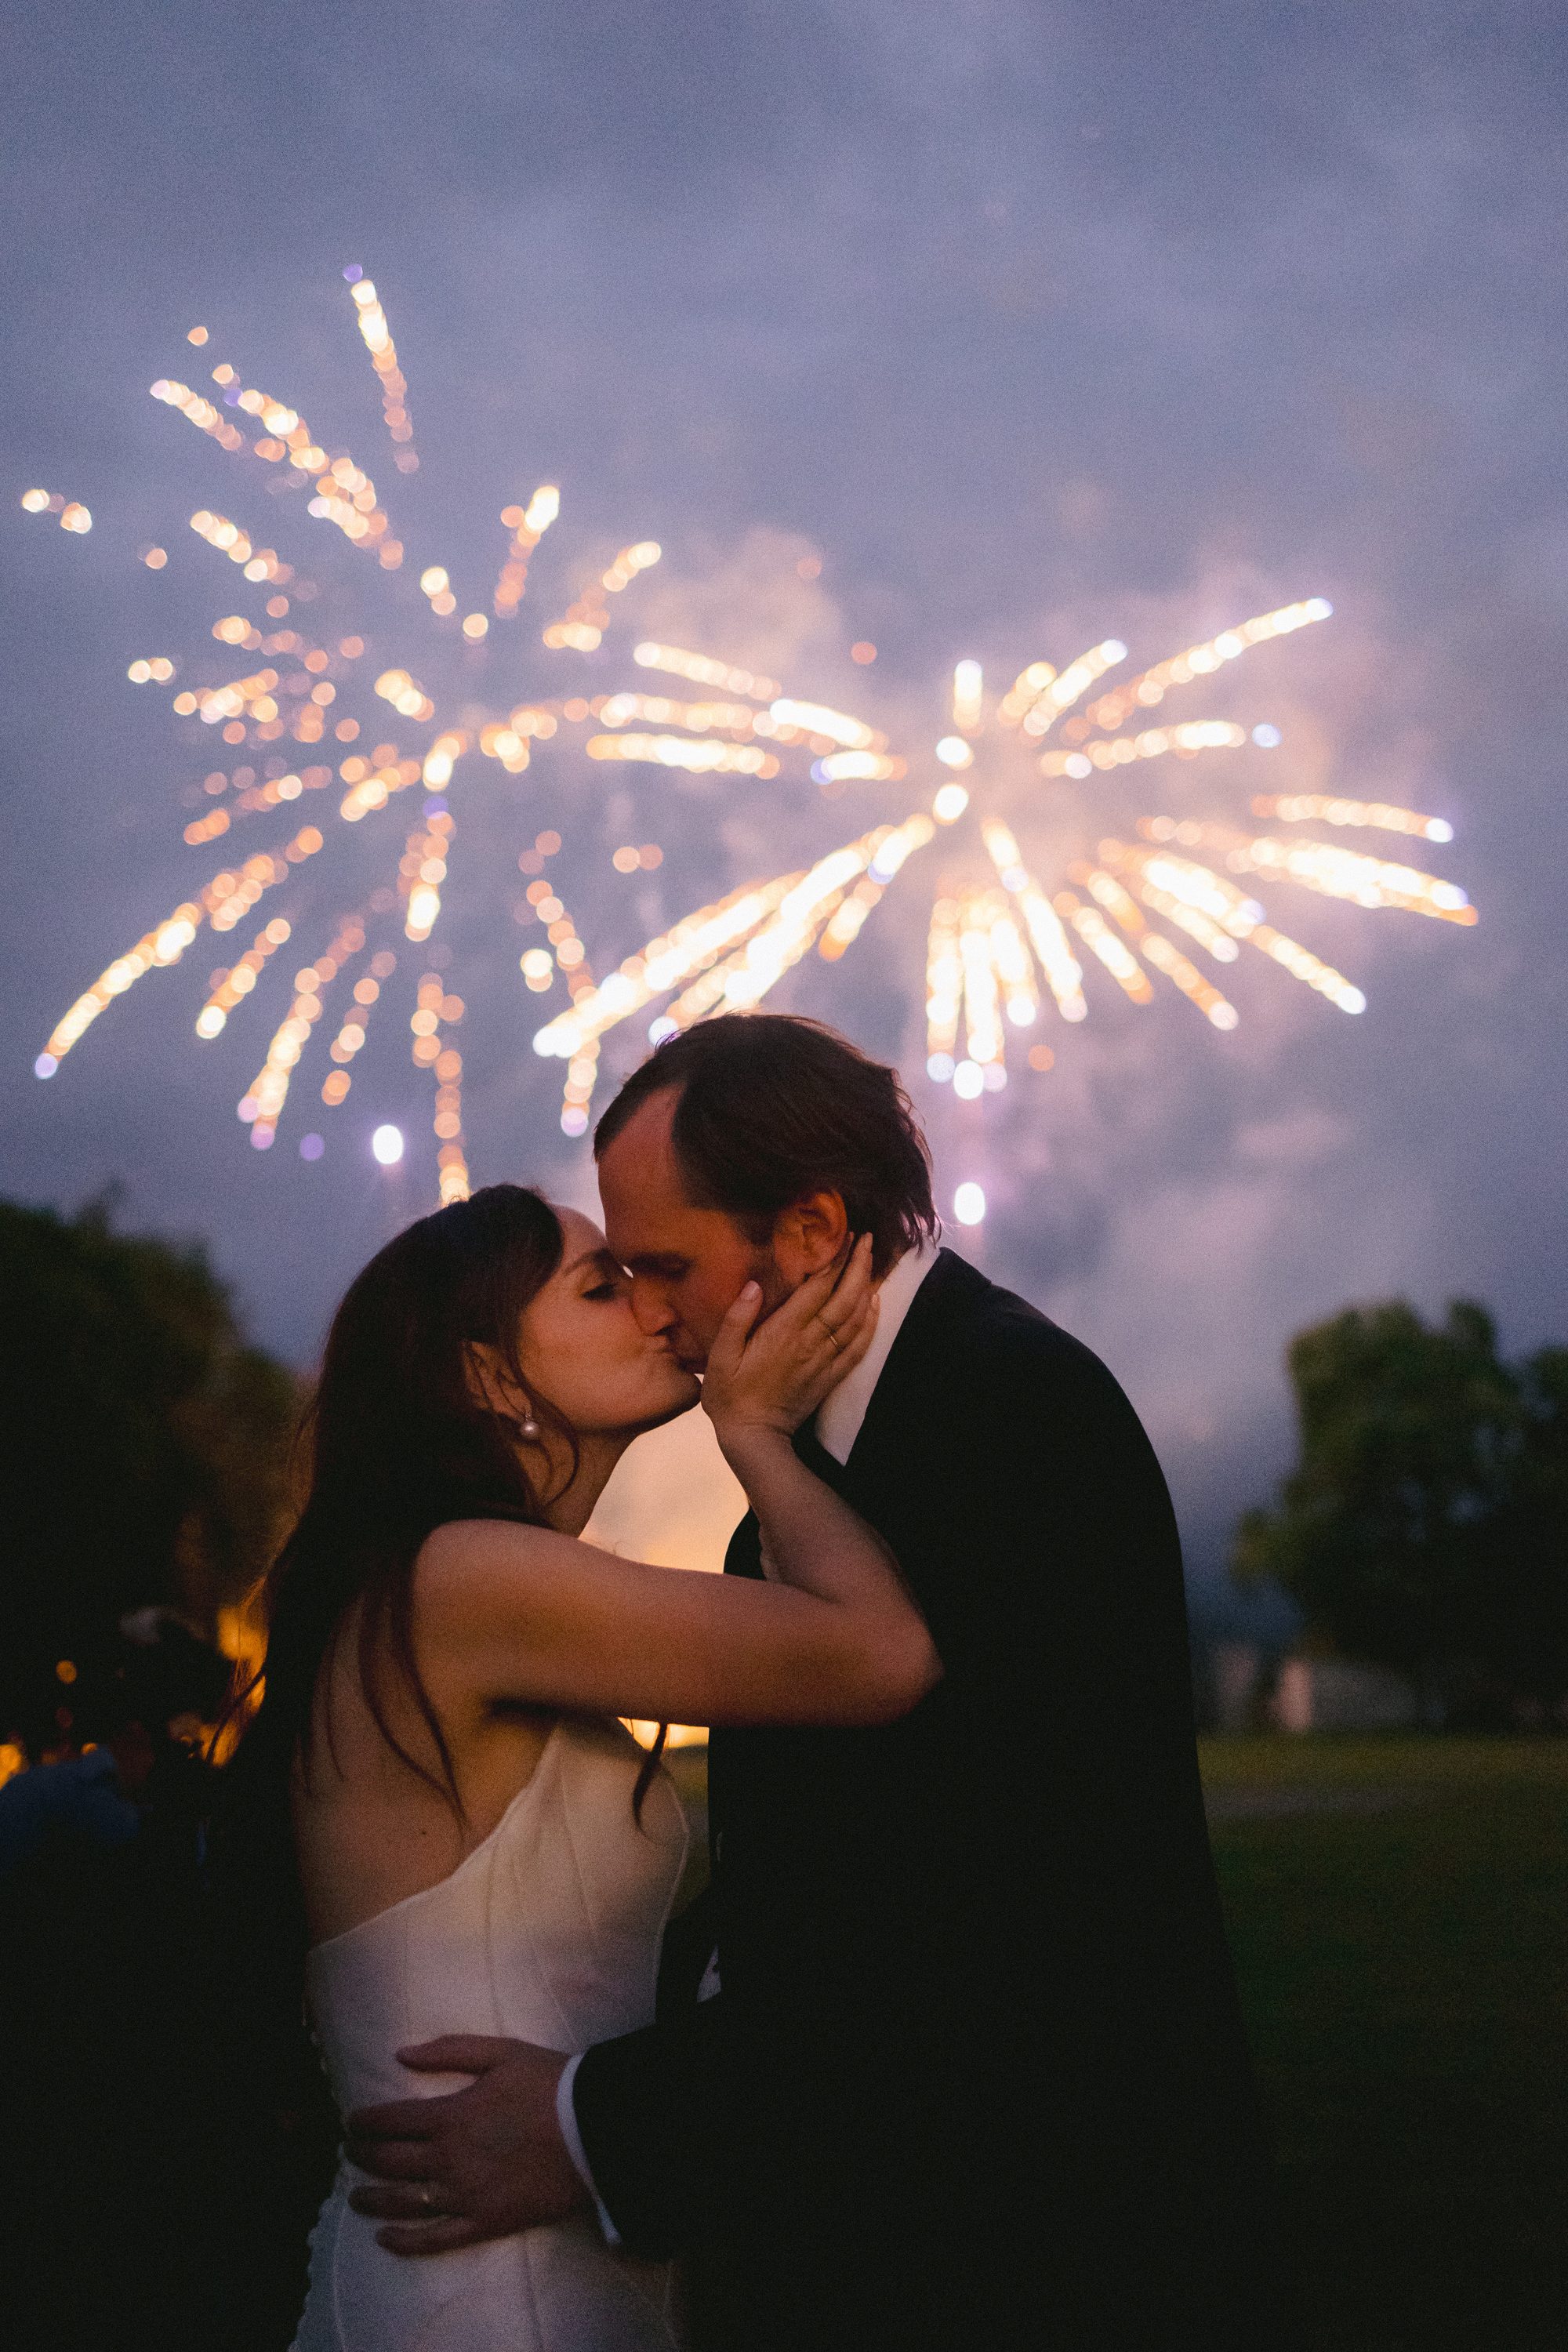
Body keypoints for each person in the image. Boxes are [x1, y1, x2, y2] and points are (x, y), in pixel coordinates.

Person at [348, 1015, 1294, 2351]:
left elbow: (990, 1930)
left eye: (663, 1266)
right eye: (615, 1275)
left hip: (1040, 2257)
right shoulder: (789, 1496)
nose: (659, 1315)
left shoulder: (1014, 1415)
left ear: (806, 1230)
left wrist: (597, 2124)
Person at [224, 1179, 938, 2352]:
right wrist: (755, 1437)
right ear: (490, 1377)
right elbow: (883, 1653)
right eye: (604, 1288)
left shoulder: (452, 1582)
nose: (658, 1310)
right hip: (487, 2302)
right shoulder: (466, 1578)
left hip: (534, 2263)